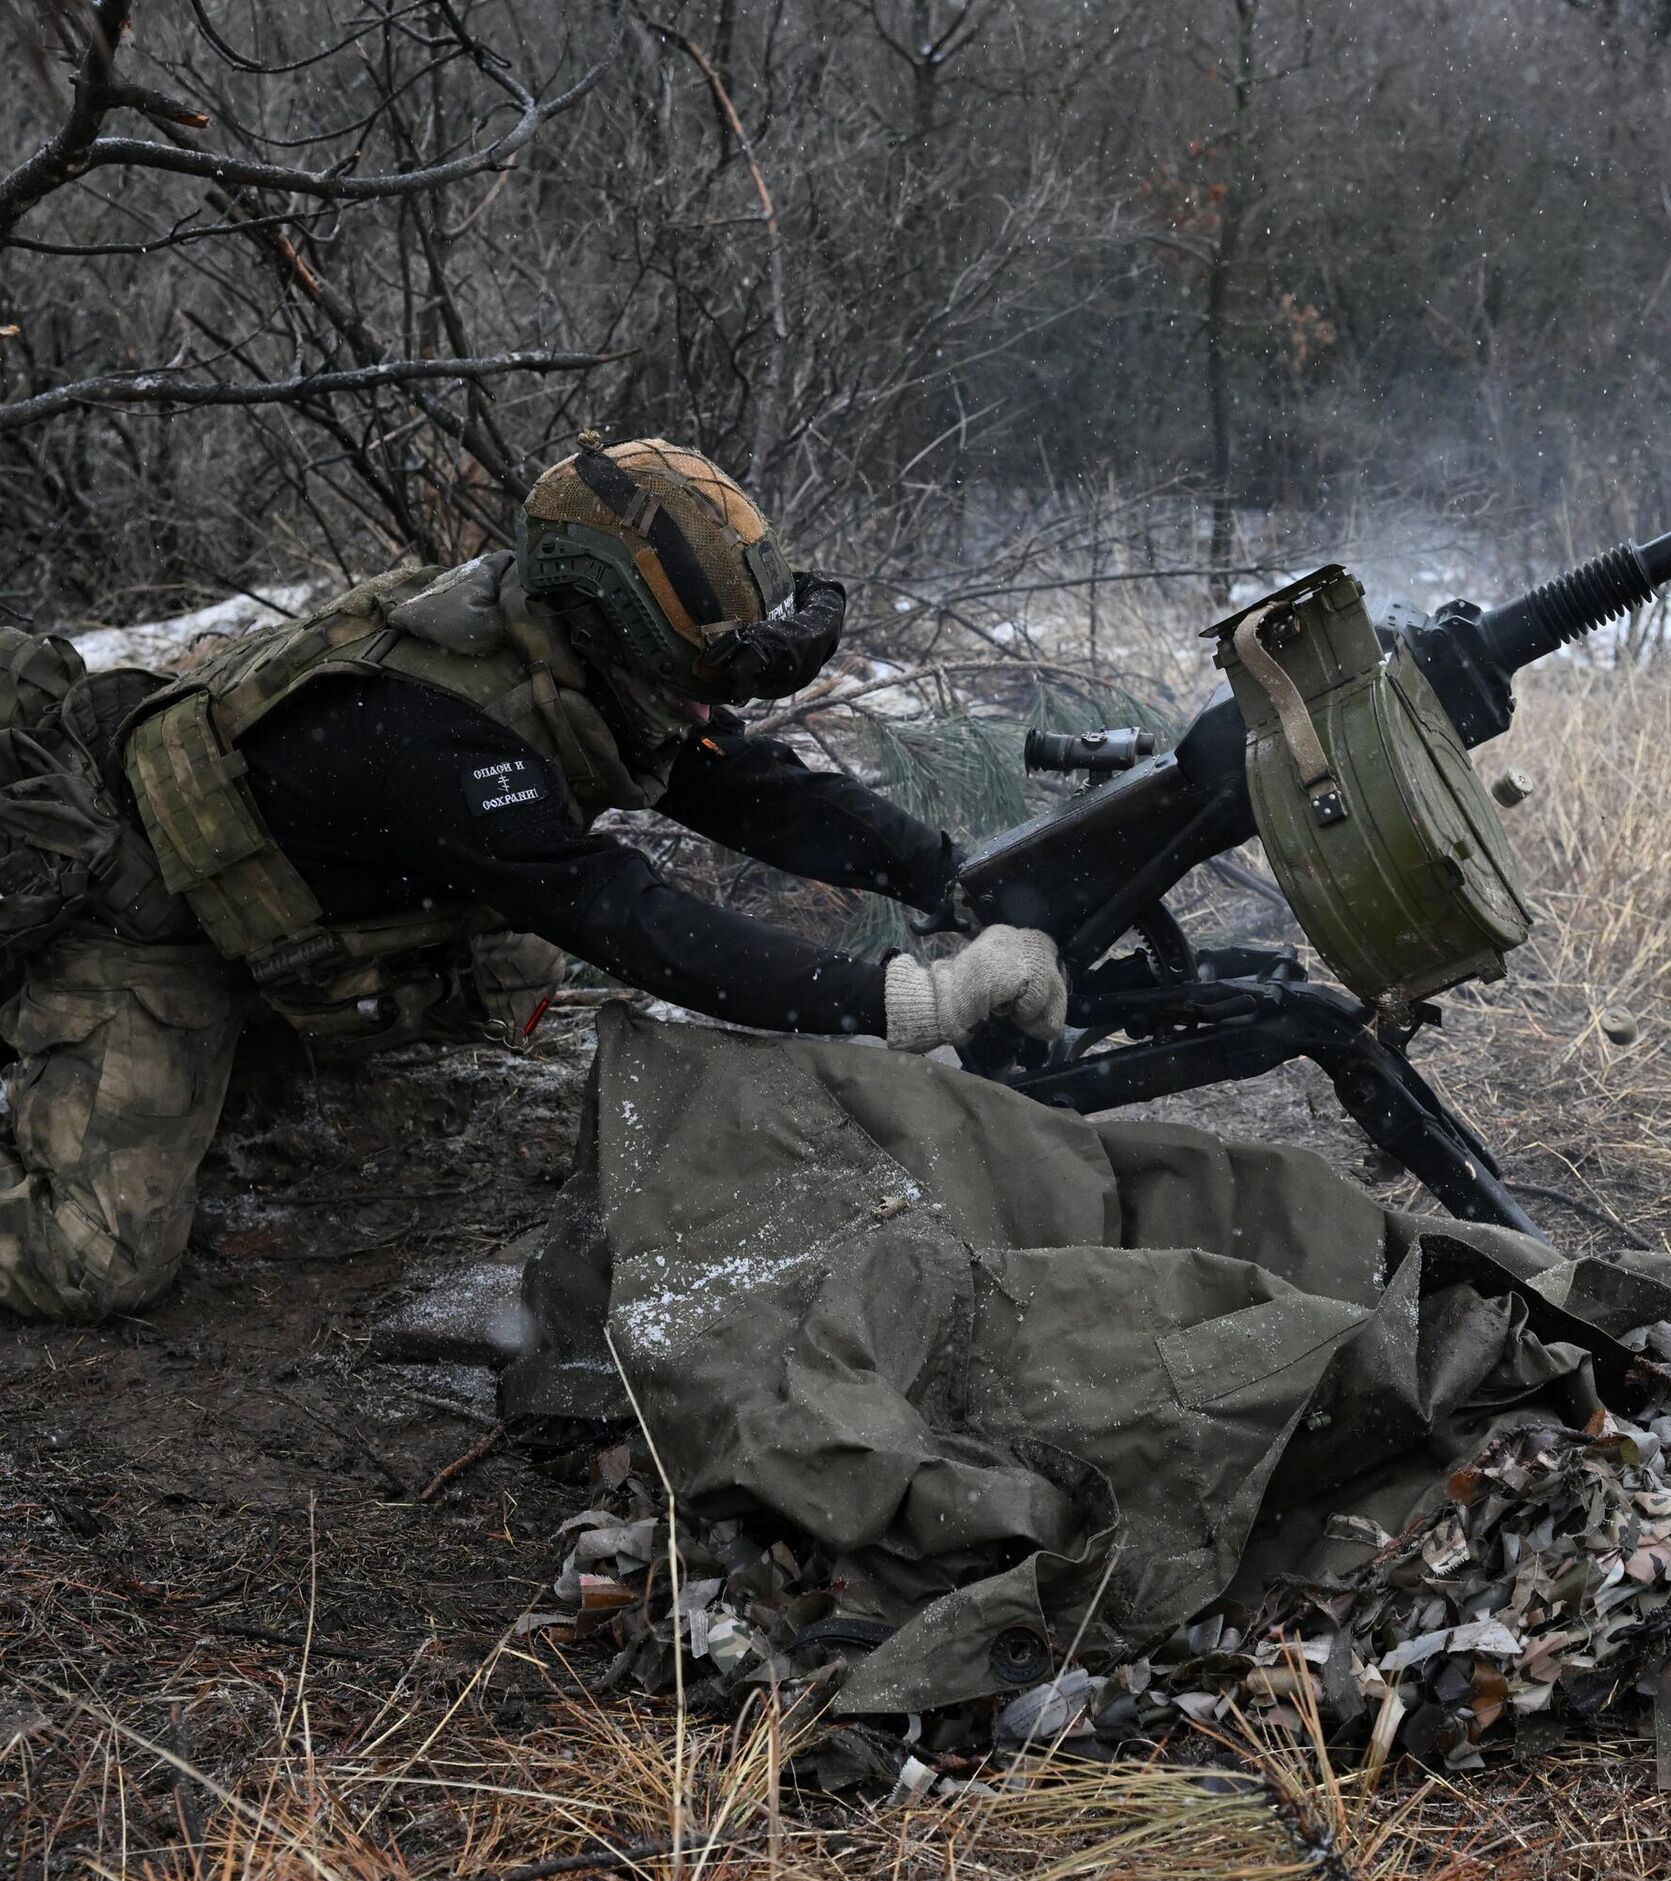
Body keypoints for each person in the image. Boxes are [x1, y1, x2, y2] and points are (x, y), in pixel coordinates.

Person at [0, 433, 1065, 1323]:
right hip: (145, 909)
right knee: (91, 1260)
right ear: (608, 623)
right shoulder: (439, 740)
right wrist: (912, 998)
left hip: (298, 888)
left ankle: (260, 1034)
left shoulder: (559, 650)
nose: (709, 711)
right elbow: (631, 918)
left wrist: (957, 879)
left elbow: (755, 790)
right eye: (697, 682)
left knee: (508, 966)